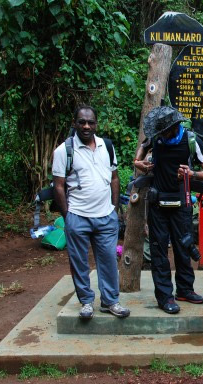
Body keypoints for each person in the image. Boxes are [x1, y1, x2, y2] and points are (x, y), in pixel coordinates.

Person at [53, 105, 130, 319]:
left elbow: (114, 178)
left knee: (108, 260)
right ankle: (86, 302)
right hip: (78, 216)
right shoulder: (64, 151)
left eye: (90, 122)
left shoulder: (108, 146)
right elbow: (58, 186)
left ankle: (110, 301)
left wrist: (114, 209)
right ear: (74, 123)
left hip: (106, 217)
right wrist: (68, 216)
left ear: (96, 124)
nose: (86, 126)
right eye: (82, 122)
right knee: (79, 262)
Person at [135, 106, 203, 314]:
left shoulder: (191, 141)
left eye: (164, 131)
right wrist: (139, 163)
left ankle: (185, 290)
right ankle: (164, 297)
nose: (161, 134)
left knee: (183, 247)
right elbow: (139, 154)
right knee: (159, 251)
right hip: (158, 203)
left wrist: (192, 173)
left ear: (174, 126)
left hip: (182, 202)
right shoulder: (155, 138)